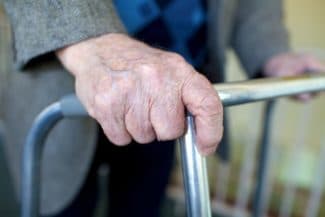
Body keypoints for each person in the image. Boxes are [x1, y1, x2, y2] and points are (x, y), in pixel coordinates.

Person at [1, 0, 324, 217]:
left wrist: (273, 51)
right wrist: (90, 40)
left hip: (169, 97)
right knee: (63, 206)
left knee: (142, 204)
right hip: (61, 83)